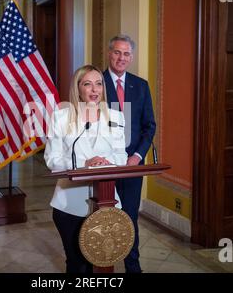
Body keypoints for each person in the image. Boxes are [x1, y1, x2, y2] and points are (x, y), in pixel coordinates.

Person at [44, 65, 128, 273]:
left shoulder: (116, 117)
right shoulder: (61, 117)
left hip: (107, 203)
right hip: (69, 204)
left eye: (98, 84)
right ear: (78, 88)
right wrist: (84, 166)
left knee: (103, 260)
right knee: (78, 264)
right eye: (87, 84)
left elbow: (121, 157)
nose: (94, 89)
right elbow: (52, 160)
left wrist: (103, 163)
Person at [103, 35, 156, 273]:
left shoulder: (140, 85)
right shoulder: (96, 82)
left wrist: (137, 156)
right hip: (104, 164)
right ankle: (101, 265)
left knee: (129, 216)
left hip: (132, 164)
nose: (121, 58)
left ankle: (133, 267)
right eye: (117, 52)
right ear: (109, 53)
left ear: (131, 58)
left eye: (126, 54)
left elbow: (149, 126)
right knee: (103, 216)